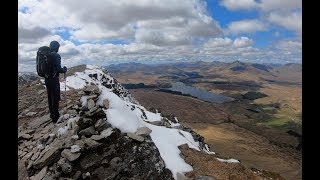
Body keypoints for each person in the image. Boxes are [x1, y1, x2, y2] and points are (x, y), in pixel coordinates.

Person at [45, 41, 67, 123]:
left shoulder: (46, 55)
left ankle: (52, 115)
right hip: (54, 80)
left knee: (50, 97)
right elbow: (59, 69)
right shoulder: (56, 55)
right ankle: (56, 117)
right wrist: (64, 69)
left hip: (47, 80)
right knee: (55, 97)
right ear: (56, 47)